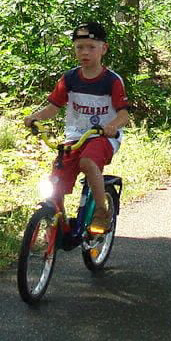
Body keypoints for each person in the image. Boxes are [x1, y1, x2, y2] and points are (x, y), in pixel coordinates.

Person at [23, 22, 130, 234]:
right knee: (57, 177)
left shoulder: (111, 80)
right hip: (75, 136)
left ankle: (101, 211)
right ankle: (55, 218)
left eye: (91, 47)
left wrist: (111, 126)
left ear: (103, 49)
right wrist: (35, 117)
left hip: (103, 136)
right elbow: (54, 107)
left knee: (88, 163)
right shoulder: (70, 78)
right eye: (80, 47)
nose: (85, 52)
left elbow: (124, 114)